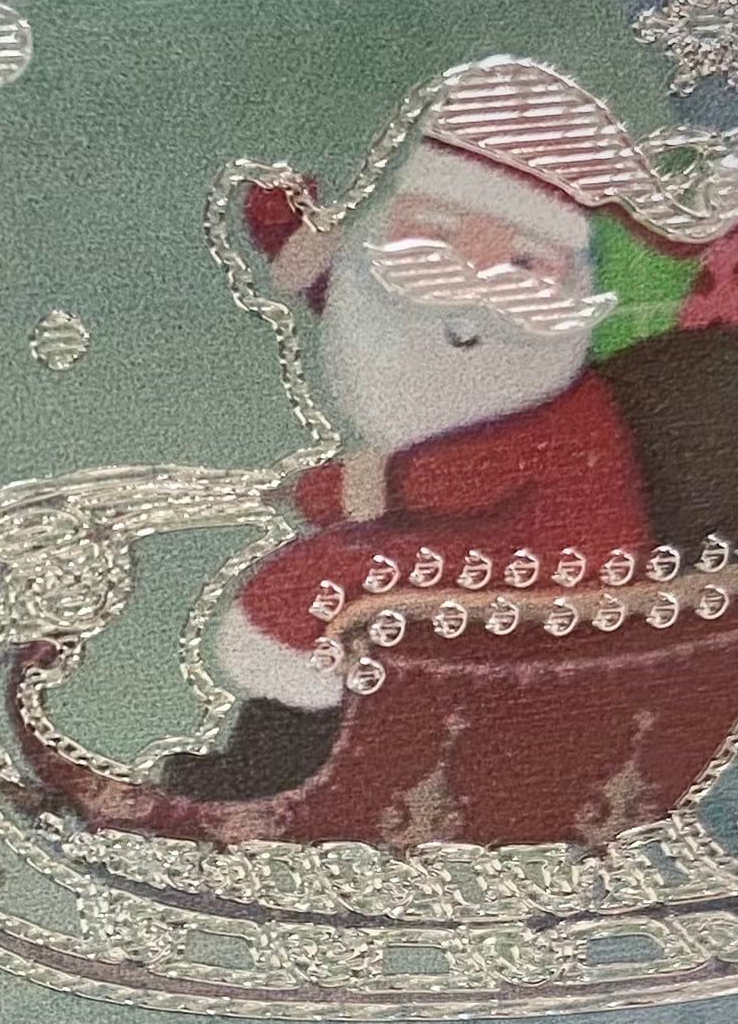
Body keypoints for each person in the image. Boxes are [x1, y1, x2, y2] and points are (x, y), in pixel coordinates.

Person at [161, 118, 654, 803]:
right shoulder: (444, 323)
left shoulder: (552, 392)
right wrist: (288, 229)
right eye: (441, 244)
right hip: (472, 540)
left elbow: (467, 477)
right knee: (329, 577)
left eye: (519, 264)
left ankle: (289, 769)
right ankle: (270, 756)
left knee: (326, 586)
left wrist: (342, 490)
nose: (472, 282)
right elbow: (370, 312)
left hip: (549, 565)